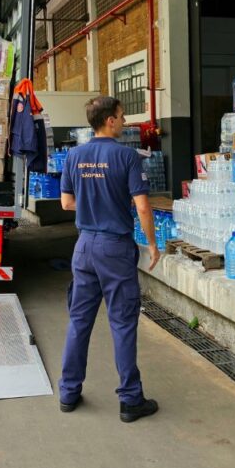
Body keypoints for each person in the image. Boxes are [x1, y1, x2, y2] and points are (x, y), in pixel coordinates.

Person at [58, 96, 161, 423]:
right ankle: (130, 400)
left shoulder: (74, 156)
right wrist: (153, 245)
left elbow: (65, 203)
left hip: (85, 247)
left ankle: (68, 392)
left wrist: (92, 206)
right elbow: (143, 207)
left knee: (79, 321)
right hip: (115, 248)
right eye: (122, 116)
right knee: (122, 323)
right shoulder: (127, 156)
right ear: (110, 121)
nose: (125, 120)